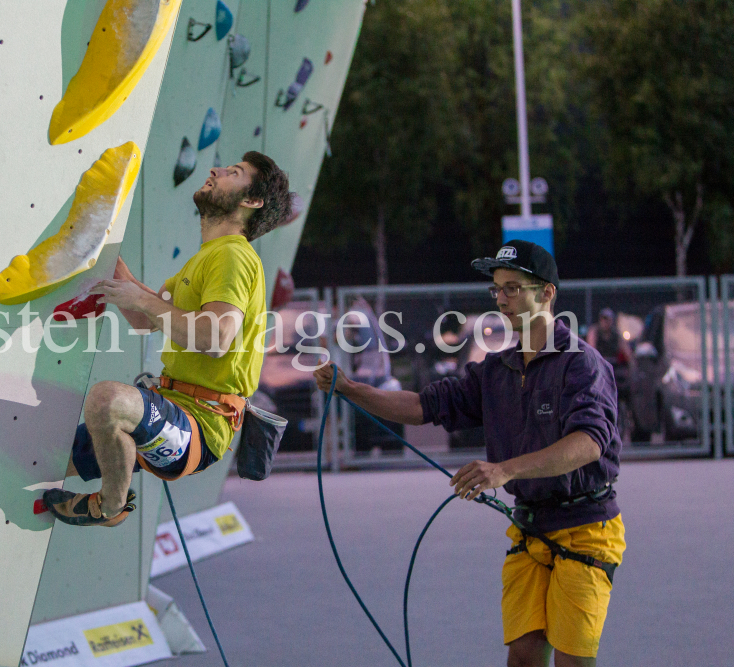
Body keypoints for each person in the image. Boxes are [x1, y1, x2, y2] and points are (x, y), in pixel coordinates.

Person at [314, 240, 624, 667]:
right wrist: (350, 390)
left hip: (586, 528)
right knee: (523, 656)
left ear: (547, 294)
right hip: (531, 527)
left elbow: (589, 443)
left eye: (513, 288)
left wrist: (503, 470)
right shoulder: (496, 369)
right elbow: (424, 406)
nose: (501, 299)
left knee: (571, 660)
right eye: (496, 289)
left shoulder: (582, 364)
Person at [42, 152, 292, 527]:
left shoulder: (234, 256)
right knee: (45, 456)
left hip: (199, 426)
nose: (215, 170)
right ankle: (118, 466)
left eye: (234, 173)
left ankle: (110, 506)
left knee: (107, 400)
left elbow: (215, 338)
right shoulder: (206, 258)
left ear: (251, 202)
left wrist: (141, 297)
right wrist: (101, 247)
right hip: (169, 412)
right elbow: (146, 319)